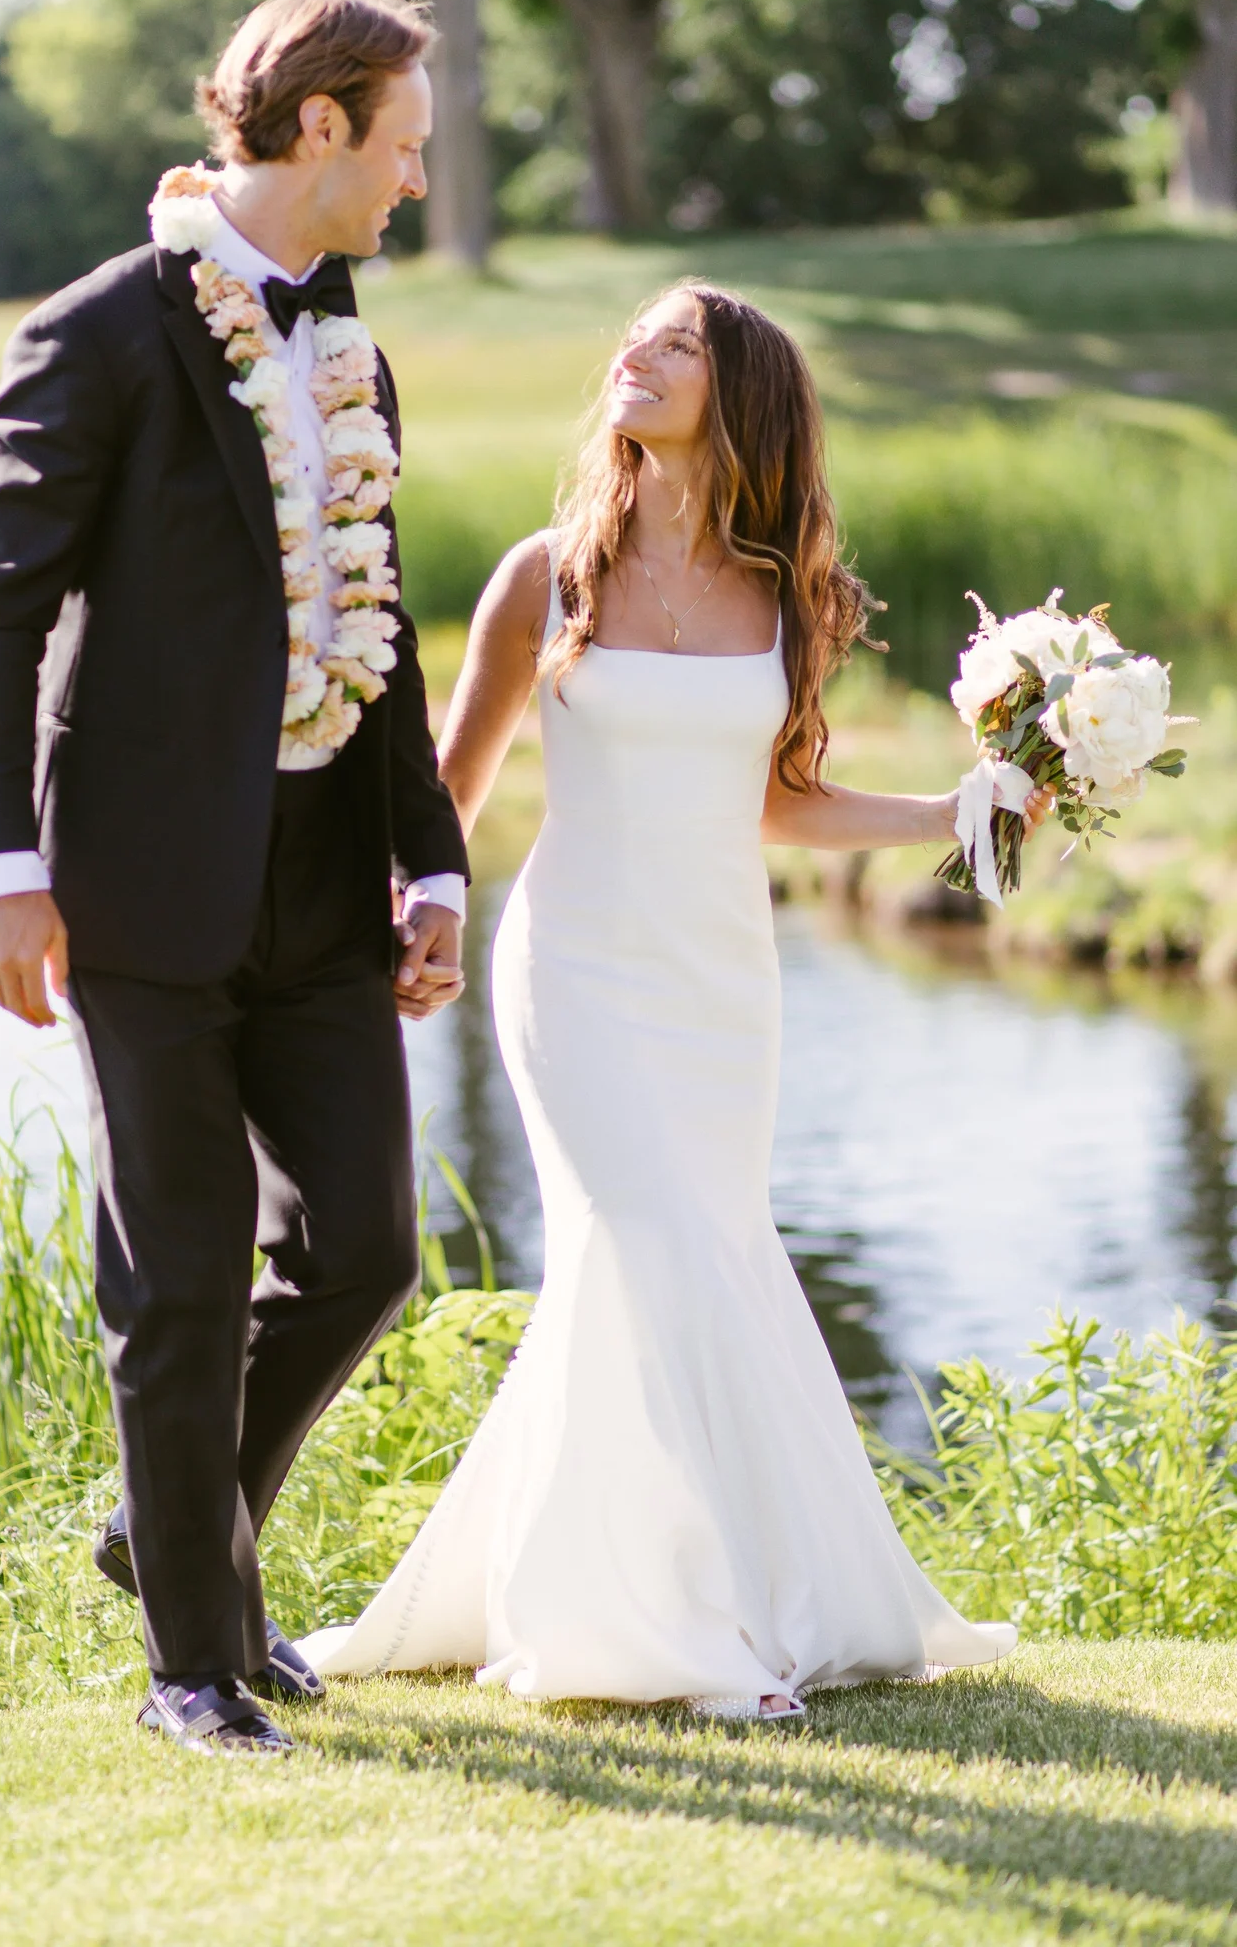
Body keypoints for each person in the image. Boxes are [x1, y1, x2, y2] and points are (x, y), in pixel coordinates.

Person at [299, 281, 1051, 1719]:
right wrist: (415, 915)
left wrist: (955, 814)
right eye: (635, 335)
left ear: (740, 394)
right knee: (635, 1237)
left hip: (721, 985)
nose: (635, 354)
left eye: (677, 342)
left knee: (701, 1249)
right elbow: (449, 789)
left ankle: (719, 1594)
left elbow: (778, 800)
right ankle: (657, 1634)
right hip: (574, 966)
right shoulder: (546, 579)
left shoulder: (784, 596)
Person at [0, 0, 470, 1758]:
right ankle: (195, 1662)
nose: (414, 179)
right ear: (320, 125)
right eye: (403, 145)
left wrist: (433, 867)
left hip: (325, 877)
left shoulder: (354, 347)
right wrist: (0, 865)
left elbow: (381, 626)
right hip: (139, 882)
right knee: (177, 1275)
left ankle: (168, 1525)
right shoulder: (97, 332)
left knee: (367, 1251)